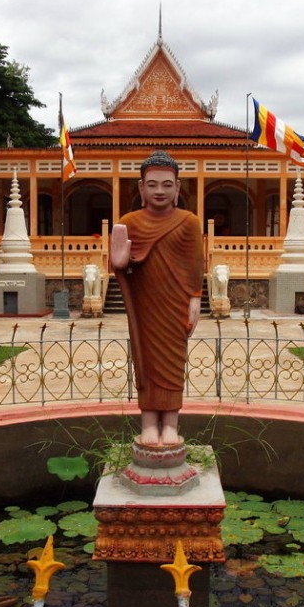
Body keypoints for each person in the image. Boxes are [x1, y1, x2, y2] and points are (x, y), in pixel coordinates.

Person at [110, 150, 204, 446]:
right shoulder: (129, 222)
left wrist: (195, 298)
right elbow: (120, 263)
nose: (159, 190)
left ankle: (171, 425)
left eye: (166, 184)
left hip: (175, 302)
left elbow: (194, 264)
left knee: (174, 361)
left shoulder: (189, 221)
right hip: (145, 303)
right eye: (152, 184)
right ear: (141, 188)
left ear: (177, 188)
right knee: (146, 362)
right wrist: (120, 261)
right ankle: (149, 423)